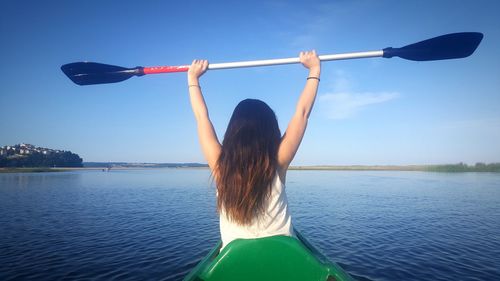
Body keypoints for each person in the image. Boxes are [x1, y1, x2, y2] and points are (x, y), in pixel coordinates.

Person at [187, 51, 320, 249]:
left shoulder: (219, 164)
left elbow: (201, 118)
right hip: (282, 257)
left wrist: (193, 78)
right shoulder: (278, 160)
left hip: (234, 262)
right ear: (271, 130)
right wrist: (314, 69)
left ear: (233, 130)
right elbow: (302, 113)